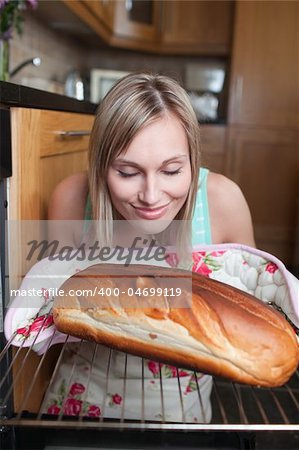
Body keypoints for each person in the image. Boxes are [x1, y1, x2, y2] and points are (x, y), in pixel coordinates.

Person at [47, 73, 256, 448]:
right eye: (127, 172)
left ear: (193, 158)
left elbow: (247, 315)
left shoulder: (223, 201)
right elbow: (54, 316)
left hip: (181, 414)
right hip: (80, 407)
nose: (151, 194)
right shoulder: (71, 198)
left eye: (172, 170)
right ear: (100, 166)